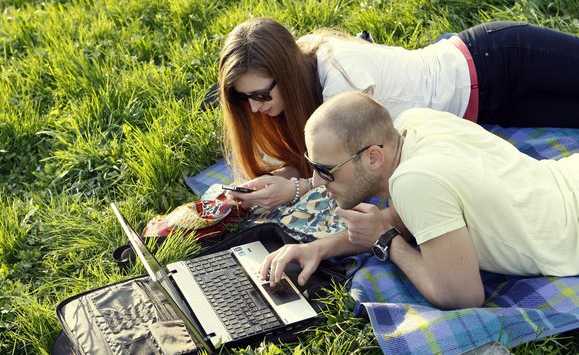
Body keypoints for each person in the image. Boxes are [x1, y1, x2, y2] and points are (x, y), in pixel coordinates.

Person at [260, 91, 579, 310]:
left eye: (325, 170)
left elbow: (463, 296)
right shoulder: (414, 123)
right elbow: (399, 220)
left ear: (373, 157)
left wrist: (387, 243)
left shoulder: (415, 183)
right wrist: (319, 247)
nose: (315, 182)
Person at [218, 18, 579, 210]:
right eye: (244, 98)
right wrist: (280, 178)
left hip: (496, 60)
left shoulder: (339, 75)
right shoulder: (298, 92)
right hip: (486, 107)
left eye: (261, 94)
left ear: (289, 72)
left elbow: (354, 169)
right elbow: (320, 164)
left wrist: (294, 188)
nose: (255, 107)